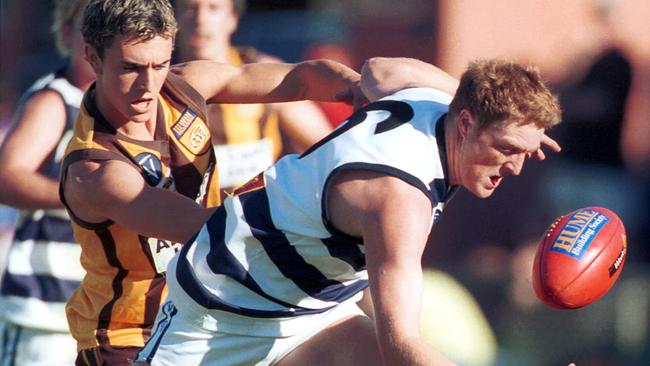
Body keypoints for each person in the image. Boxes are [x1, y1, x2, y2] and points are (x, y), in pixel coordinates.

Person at [134, 57, 562, 365]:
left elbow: (380, 70)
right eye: (507, 148)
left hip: (310, 306)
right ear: (466, 124)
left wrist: (507, 118)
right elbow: (402, 347)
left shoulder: (426, 96)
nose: (517, 166)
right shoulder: (398, 199)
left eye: (526, 150)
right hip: (225, 308)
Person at [57, 0, 361, 364]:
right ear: (92, 57)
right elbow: (215, 230)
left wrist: (361, 88)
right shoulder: (95, 171)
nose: (149, 86)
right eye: (130, 68)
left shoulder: (184, 85)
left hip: (210, 313)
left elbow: (298, 79)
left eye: (160, 64)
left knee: (362, 343)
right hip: (133, 339)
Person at [0, 1, 94, 364]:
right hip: (49, 315)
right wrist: (83, 197)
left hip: (109, 315)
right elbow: (7, 177)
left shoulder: (131, 105)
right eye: (89, 26)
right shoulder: (56, 98)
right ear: (66, 33)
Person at [175, 0, 334, 198]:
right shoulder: (156, 79)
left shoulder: (265, 74)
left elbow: (327, 145)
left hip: (257, 219)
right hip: (190, 220)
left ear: (232, 19)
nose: (201, 19)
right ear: (174, 18)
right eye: (190, 9)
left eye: (213, 8)